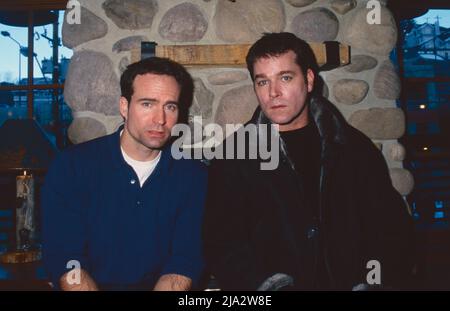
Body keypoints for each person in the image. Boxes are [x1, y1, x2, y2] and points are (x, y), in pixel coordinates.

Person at [203, 32, 414, 290]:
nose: (273, 93)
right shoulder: (233, 156)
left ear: (309, 79)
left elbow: (387, 228)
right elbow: (222, 242)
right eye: (262, 82)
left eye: (286, 77)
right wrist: (265, 287)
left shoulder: (353, 148)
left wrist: (372, 282)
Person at [41, 57, 207, 291]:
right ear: (124, 107)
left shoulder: (193, 177)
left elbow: (184, 261)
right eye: (147, 104)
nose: (160, 120)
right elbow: (67, 258)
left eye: (170, 106)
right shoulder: (72, 167)